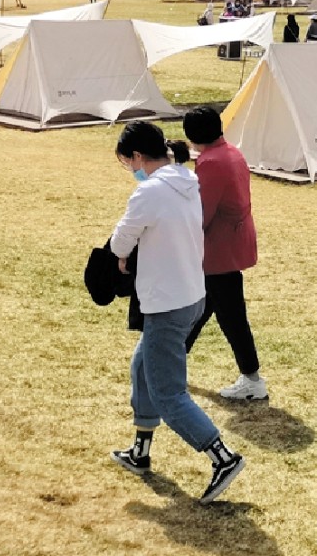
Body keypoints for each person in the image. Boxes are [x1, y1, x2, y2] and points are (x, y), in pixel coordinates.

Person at [106, 122, 246, 502]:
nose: (129, 169)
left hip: (167, 304)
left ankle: (223, 457)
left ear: (137, 156)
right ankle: (140, 451)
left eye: (127, 162)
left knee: (168, 393)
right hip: (191, 295)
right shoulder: (187, 180)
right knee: (142, 368)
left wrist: (120, 257)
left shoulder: (149, 192)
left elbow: (121, 241)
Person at [180, 107, 267, 401]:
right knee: (206, 311)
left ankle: (252, 379)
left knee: (226, 316)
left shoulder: (211, 162)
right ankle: (171, 361)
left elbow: (201, 214)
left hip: (218, 252)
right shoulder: (231, 153)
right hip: (231, 244)